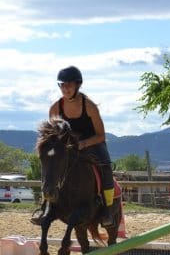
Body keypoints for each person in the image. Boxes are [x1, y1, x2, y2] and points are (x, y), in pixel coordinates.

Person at [31, 65, 115, 226]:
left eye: (69, 84)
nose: (65, 88)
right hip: (68, 147)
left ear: (77, 85)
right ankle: (45, 207)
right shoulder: (55, 107)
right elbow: (52, 134)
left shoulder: (89, 106)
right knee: (50, 166)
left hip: (92, 143)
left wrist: (83, 143)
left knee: (106, 167)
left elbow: (101, 135)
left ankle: (107, 210)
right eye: (62, 85)